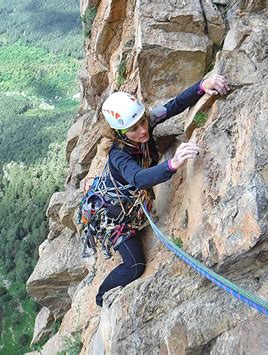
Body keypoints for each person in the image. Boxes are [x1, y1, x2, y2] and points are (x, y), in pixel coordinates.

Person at [94, 74, 229, 307]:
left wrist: (201, 86)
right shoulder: (119, 155)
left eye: (143, 123)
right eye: (133, 129)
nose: (143, 131)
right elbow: (137, 178)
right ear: (119, 133)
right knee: (135, 266)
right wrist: (172, 164)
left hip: (131, 205)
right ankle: (101, 296)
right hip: (113, 217)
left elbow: (173, 105)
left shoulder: (146, 120)